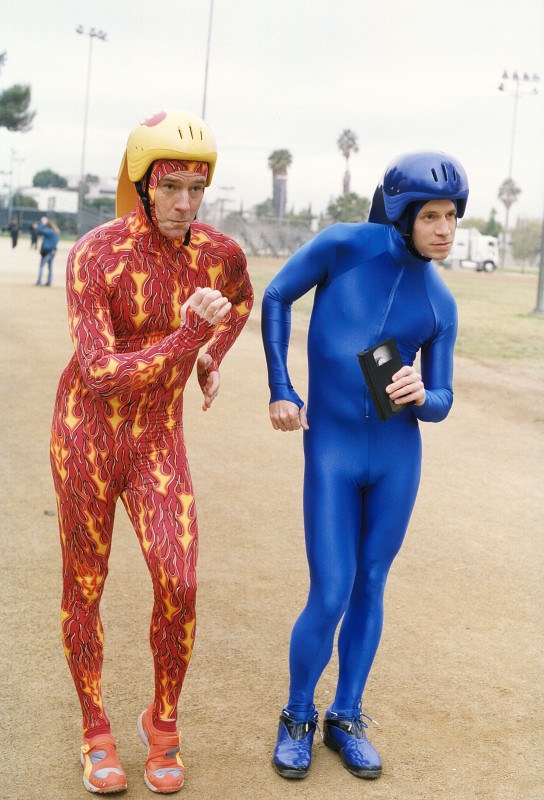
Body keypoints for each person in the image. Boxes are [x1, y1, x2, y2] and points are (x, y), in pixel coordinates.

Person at [50, 109, 253, 795]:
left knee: (180, 583)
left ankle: (161, 724)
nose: (185, 204)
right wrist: (188, 338)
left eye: (197, 188)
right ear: (142, 183)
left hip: (157, 438)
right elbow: (101, 371)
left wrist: (212, 356)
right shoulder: (95, 254)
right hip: (85, 433)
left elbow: (240, 300)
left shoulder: (218, 253)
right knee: (85, 583)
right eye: (170, 187)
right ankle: (95, 728)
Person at [261, 151, 468, 781]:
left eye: (452, 216)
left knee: (370, 583)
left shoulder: (440, 303)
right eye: (431, 216)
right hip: (332, 452)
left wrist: (421, 394)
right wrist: (282, 387)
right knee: (330, 593)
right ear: (402, 214)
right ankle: (298, 715)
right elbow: (277, 295)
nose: (445, 229)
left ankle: (345, 716)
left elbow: (442, 400)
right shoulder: (344, 246)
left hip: (397, 459)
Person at [35, 217, 61, 286]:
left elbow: (40, 230)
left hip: (47, 251)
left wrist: (43, 223)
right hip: (53, 251)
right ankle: (49, 281)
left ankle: (39, 281)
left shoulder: (50, 231)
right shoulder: (56, 232)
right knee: (50, 267)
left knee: (41, 266)